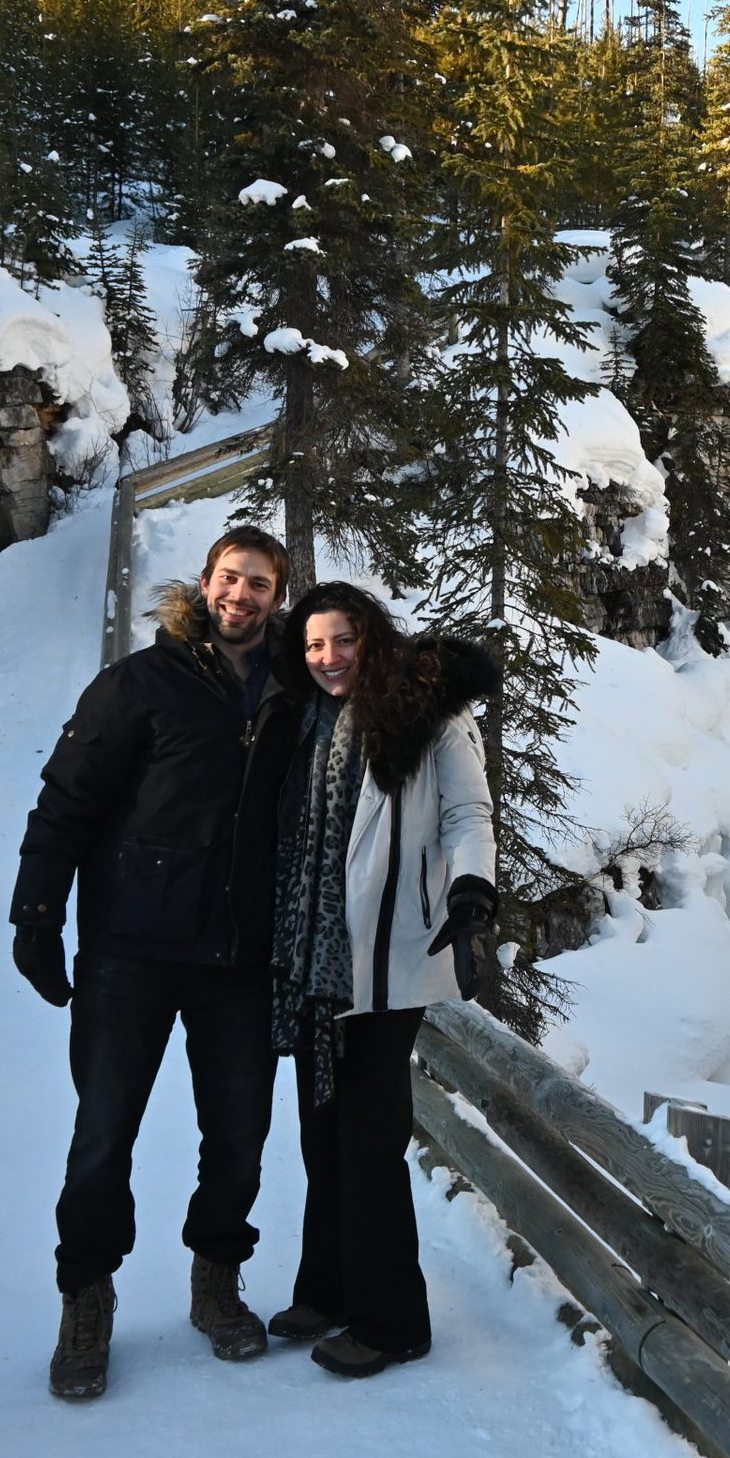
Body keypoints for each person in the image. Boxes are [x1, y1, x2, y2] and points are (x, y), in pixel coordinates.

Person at [8, 525, 298, 1401]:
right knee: (104, 1135)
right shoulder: (137, 683)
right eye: (230, 578)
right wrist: (37, 914)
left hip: (239, 953)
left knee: (240, 1134)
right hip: (130, 950)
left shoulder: (295, 689)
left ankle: (216, 1280)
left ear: (278, 596)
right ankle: (86, 1300)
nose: (241, 595)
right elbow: (65, 799)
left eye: (259, 584)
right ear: (205, 583)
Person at [263, 581, 498, 1378]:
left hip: (391, 957)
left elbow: (468, 815)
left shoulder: (430, 714)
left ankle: (393, 1323)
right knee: (322, 1132)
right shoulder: (303, 717)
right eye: (313, 645)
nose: (328, 658)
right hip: (313, 958)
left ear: (373, 636)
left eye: (343, 640)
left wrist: (471, 893)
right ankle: (328, 1289)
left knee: (367, 1137)